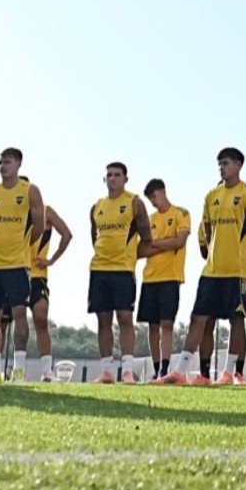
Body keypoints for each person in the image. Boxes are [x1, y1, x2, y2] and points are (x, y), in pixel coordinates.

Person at [160, 148, 246, 385]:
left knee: (236, 320)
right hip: (211, 271)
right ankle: (184, 371)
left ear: (238, 165)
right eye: (219, 164)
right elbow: (206, 230)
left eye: (226, 163)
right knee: (199, 319)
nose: (222, 167)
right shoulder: (211, 195)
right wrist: (213, 254)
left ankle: (229, 372)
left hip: (238, 271)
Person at [0, 149, 45, 383]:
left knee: (19, 314)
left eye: (7, 162)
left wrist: (22, 245)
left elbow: (39, 226)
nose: (2, 166)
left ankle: (19, 369)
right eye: (0, 162)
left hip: (17, 263)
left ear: (18, 164)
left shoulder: (29, 191)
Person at [88, 162, 154, 384]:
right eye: (109, 175)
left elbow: (146, 238)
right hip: (99, 269)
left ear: (126, 179)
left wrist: (129, 256)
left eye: (117, 175)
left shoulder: (134, 202)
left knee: (125, 317)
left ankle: (127, 370)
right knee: (103, 320)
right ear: (104, 179)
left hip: (123, 270)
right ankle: (106, 371)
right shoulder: (97, 207)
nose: (113, 178)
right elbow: (94, 239)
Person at [140, 179, 191, 382]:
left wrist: (155, 244)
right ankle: (155, 368)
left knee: (167, 323)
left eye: (154, 195)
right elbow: (141, 249)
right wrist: (164, 244)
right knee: (152, 326)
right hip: (149, 278)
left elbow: (180, 241)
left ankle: (165, 368)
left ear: (163, 191)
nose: (153, 201)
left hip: (171, 277)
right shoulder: (149, 220)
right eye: (150, 198)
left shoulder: (181, 213)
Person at [24, 201, 72, 382]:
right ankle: (12, 370)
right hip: (17, 272)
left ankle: (47, 371)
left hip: (38, 275)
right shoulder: (12, 209)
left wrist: (51, 259)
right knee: (7, 321)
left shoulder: (46, 212)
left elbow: (67, 235)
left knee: (41, 319)